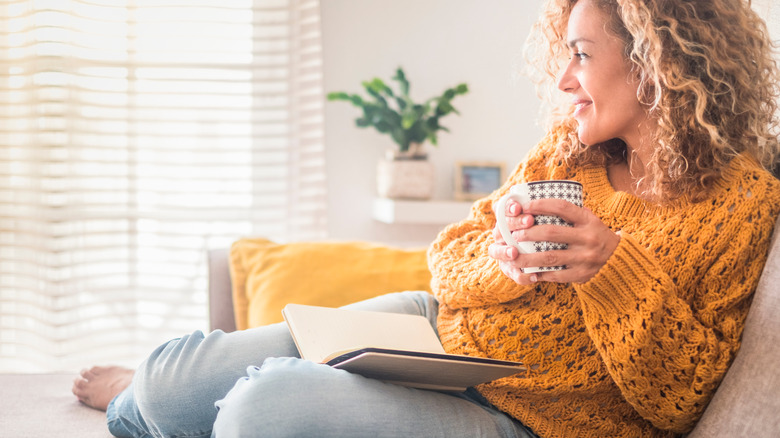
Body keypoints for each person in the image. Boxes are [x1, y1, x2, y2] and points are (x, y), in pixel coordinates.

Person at [73, 0, 780, 436]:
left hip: (528, 418)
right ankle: (145, 400)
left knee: (262, 409)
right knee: (170, 377)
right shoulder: (572, 149)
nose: (564, 79)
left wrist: (611, 269)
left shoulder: (742, 205)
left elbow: (681, 401)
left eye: (582, 55)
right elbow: (451, 254)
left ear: (655, 65)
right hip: (434, 331)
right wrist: (502, 257)